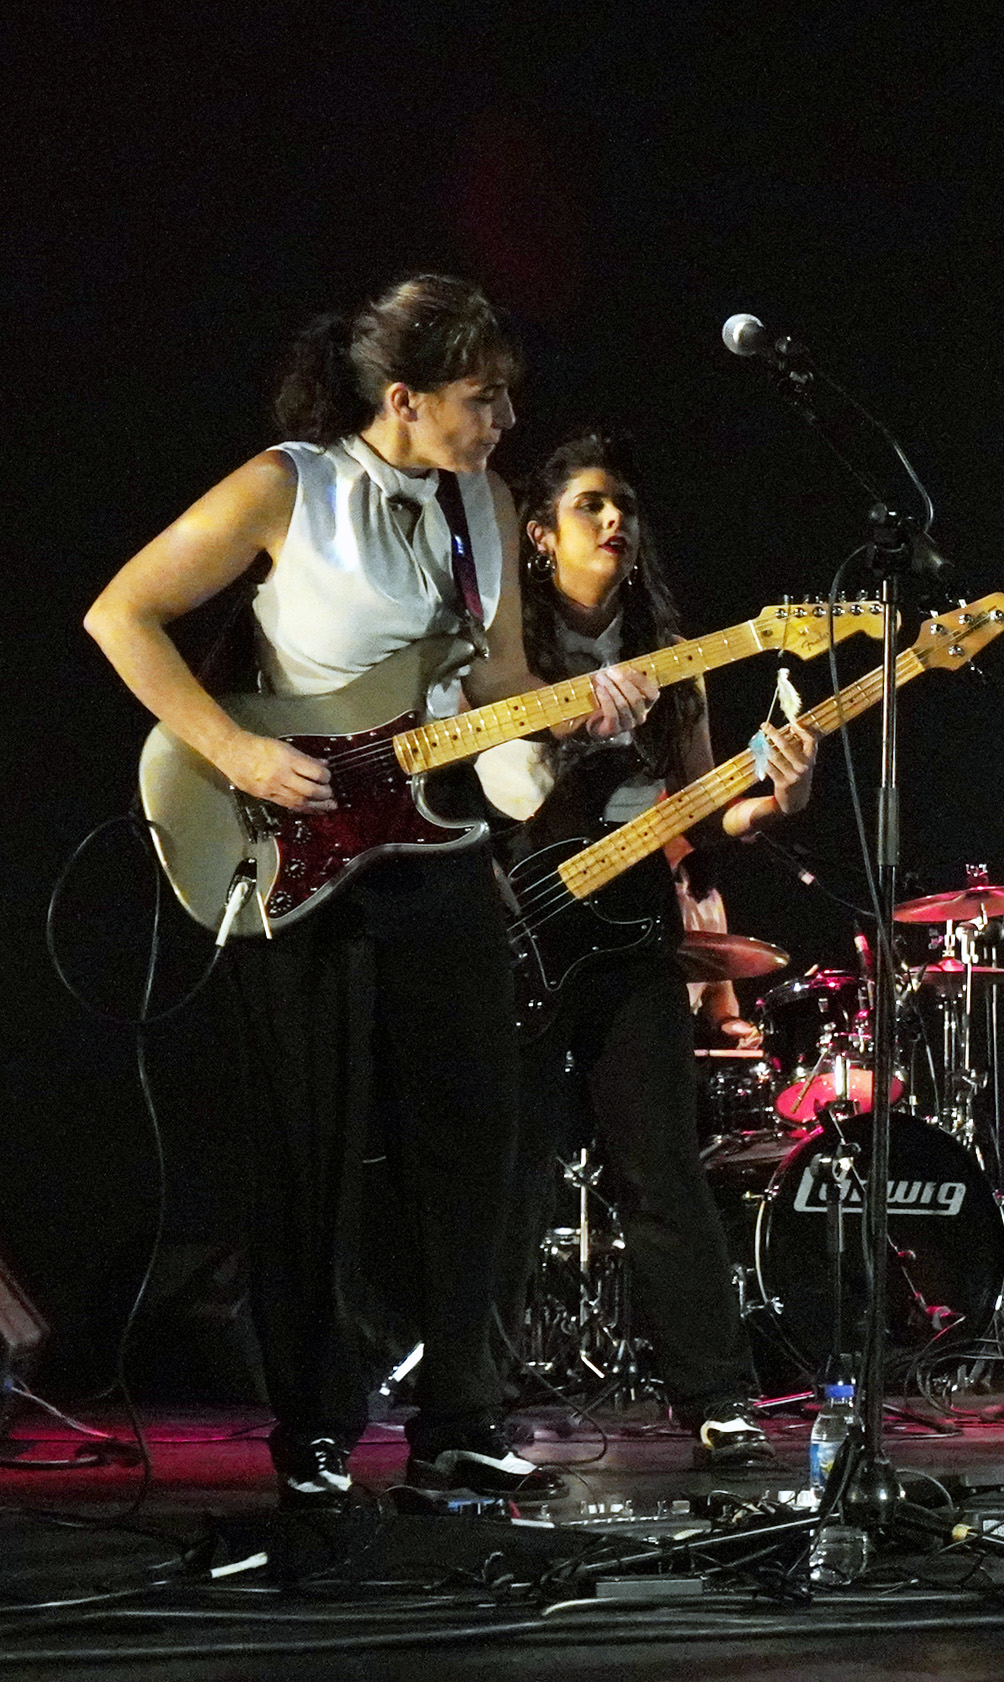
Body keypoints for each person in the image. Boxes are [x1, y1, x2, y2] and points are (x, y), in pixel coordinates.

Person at [83, 274, 650, 1505]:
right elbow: (120, 613)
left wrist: (580, 705)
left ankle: (461, 1416)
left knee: (474, 1133)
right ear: (402, 399)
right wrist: (234, 750)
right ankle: (315, 1427)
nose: (505, 420)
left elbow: (496, 682)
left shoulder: (484, 504)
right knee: (311, 1145)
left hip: (433, 844)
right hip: (296, 843)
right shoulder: (289, 485)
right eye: (481, 398)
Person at [479, 430, 816, 1469]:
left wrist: (779, 795)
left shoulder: (677, 661)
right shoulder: (501, 643)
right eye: (590, 503)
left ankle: (717, 1398)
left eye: (623, 502)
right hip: (519, 905)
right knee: (509, 1178)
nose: (614, 518)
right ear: (540, 534)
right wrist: (570, 728)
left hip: (631, 926)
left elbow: (705, 815)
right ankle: (472, 1406)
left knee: (662, 1166)